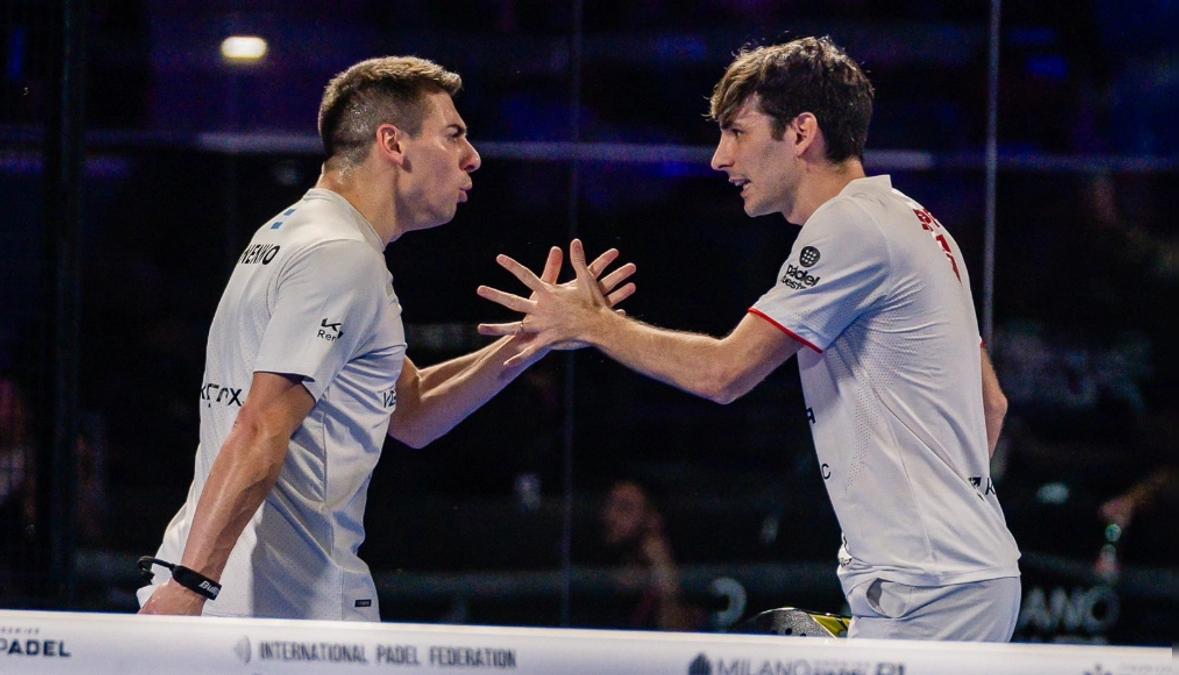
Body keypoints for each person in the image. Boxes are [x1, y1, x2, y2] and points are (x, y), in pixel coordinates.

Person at [478, 37, 1021, 641]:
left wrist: (594, 324)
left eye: (736, 132)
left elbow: (723, 373)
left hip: (931, 587)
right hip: (955, 576)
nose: (718, 158)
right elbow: (990, 404)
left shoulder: (849, 225)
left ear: (801, 132)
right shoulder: (921, 224)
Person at [137, 56, 636, 621]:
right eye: (453, 136)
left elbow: (412, 411)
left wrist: (534, 338)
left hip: (241, 588)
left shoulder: (298, 232)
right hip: (279, 605)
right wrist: (189, 586)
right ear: (393, 144)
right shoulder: (340, 257)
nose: (472, 157)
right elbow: (260, 423)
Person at [599, 479, 703, 631]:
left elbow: (674, 634)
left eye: (624, 508)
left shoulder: (685, 573)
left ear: (653, 519)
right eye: (608, 506)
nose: (609, 517)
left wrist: (662, 566)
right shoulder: (599, 565)